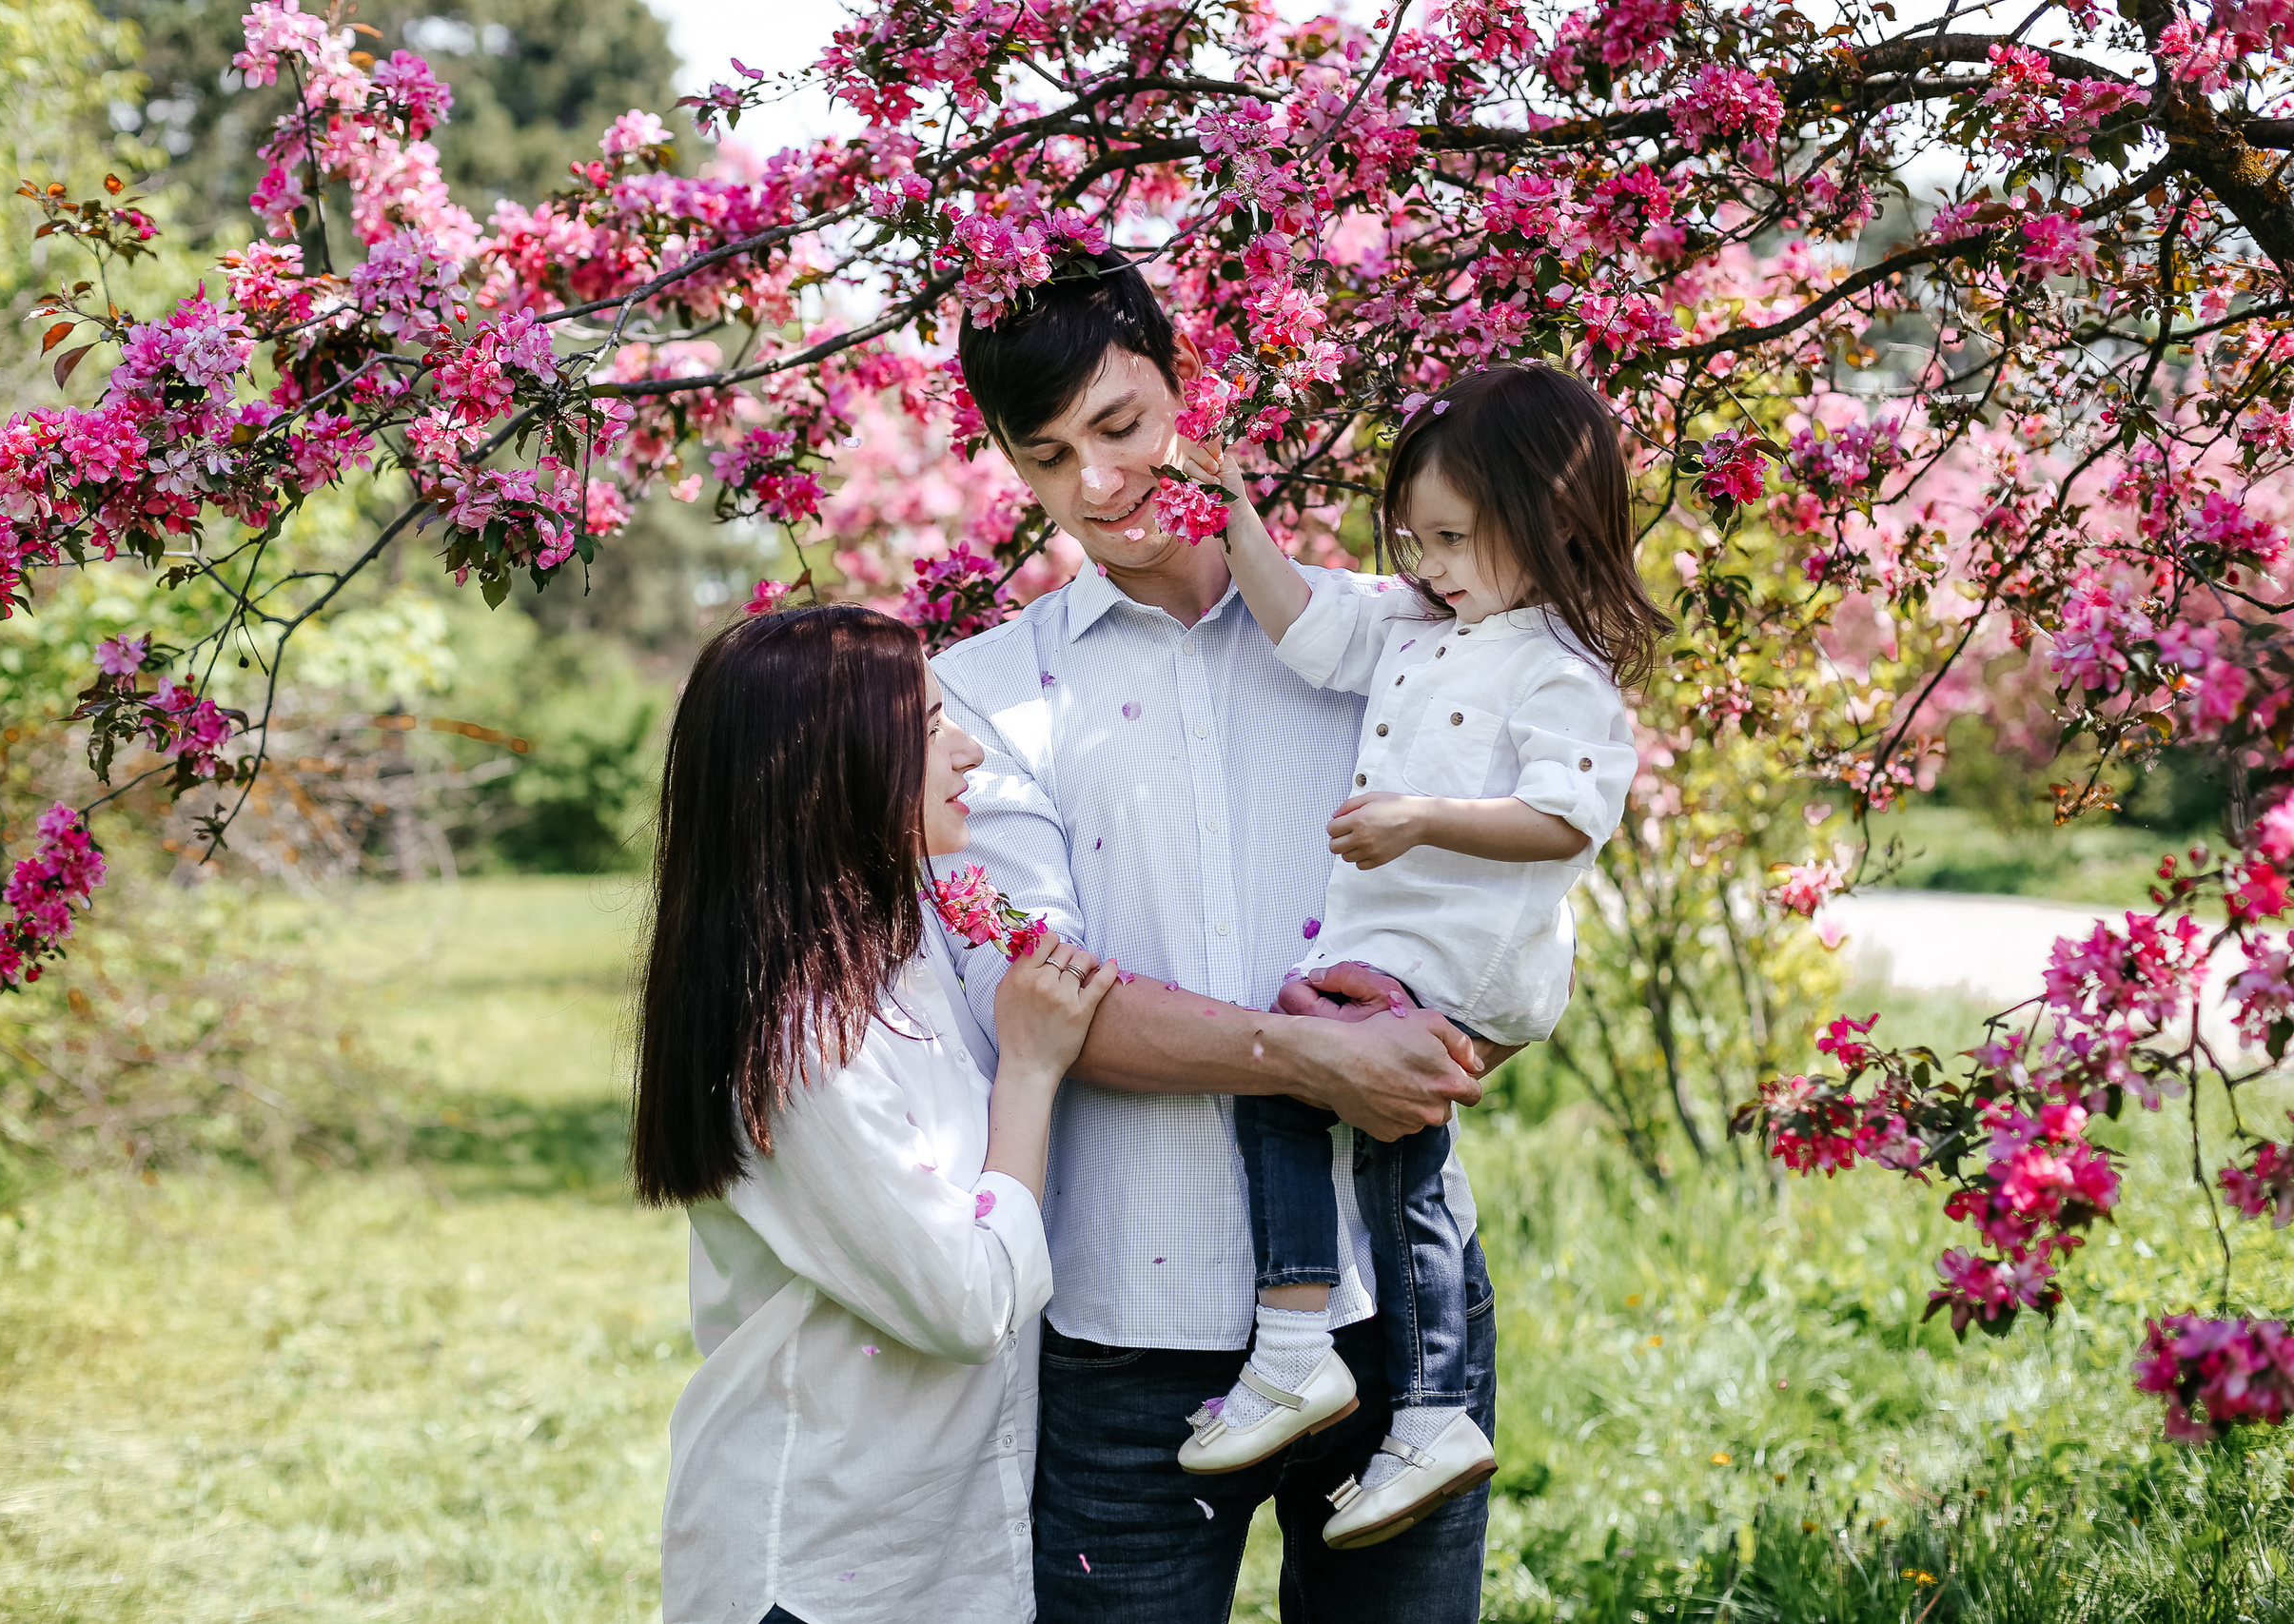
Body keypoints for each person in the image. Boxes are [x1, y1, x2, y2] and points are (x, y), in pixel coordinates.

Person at [934, 245, 1518, 1623]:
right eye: (1050, 454)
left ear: (1189, 390)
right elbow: (1042, 995)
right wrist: (1314, 1062)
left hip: (1402, 1316)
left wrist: (1450, 1035)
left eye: (1123, 426)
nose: (1097, 484)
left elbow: (1511, 885)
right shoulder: (985, 693)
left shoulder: (1382, 641)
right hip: (1128, 1333)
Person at [1175, 363, 1670, 1549]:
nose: (1430, 564)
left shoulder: (1560, 670)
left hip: (1462, 953)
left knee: (1290, 1078)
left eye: (1454, 537)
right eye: (1415, 539)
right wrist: (1233, 508)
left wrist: (1419, 815)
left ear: (1548, 522)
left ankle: (1298, 1346)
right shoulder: (1416, 621)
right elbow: (1299, 623)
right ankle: (1430, 1413)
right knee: (1396, 1175)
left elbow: (1567, 820)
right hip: (1399, 948)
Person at [637, 604, 1117, 1624]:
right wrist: (1028, 1074)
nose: (968, 747)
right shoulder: (803, 1044)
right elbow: (966, 1305)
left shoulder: (894, 961)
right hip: (821, 1564)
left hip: (919, 1545)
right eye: (931, 724)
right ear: (834, 766)